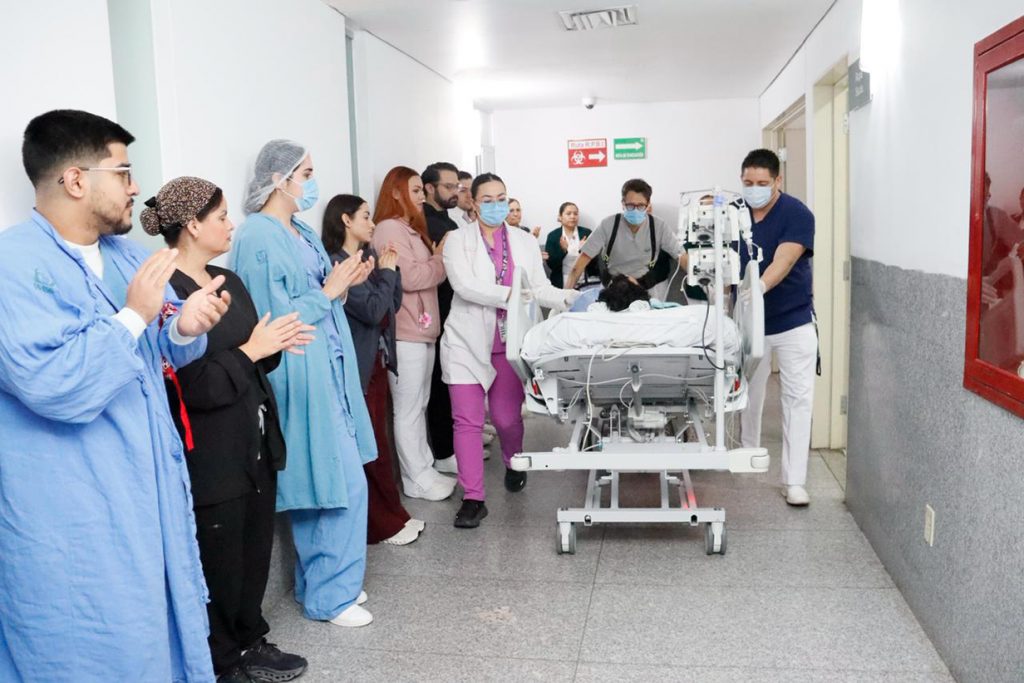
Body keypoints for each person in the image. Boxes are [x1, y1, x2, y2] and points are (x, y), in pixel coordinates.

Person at [0, 109, 229, 681]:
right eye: (123, 173)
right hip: (75, 505)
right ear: (76, 180)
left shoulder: (128, 256)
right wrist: (133, 316)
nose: (135, 187)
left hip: (148, 486)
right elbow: (51, 384)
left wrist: (185, 327)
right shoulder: (13, 266)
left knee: (157, 631)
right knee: (92, 641)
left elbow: (159, 346)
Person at [144, 176, 312, 682]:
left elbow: (254, 355)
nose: (230, 224)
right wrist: (251, 351)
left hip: (254, 438)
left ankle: (250, 640)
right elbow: (192, 387)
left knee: (254, 549)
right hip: (210, 452)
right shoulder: (166, 292)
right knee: (218, 561)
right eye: (220, 217)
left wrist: (272, 344)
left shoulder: (227, 281)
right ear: (193, 226)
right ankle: (220, 661)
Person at [233, 140, 378, 628]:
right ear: (279, 179)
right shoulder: (258, 235)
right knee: (332, 483)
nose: (313, 182)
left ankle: (325, 584)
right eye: (307, 173)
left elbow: (320, 294)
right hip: (298, 370)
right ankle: (330, 597)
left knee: (336, 480)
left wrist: (344, 284)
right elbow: (271, 318)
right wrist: (328, 291)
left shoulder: (301, 231)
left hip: (329, 366)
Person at [441, 173, 580, 528]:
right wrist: (512, 294)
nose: (496, 205)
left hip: (509, 343)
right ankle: (473, 498)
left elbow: (539, 288)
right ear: (473, 203)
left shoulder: (524, 241)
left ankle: (513, 461)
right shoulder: (457, 240)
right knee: (467, 421)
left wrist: (570, 299)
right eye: (487, 199)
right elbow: (464, 285)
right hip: (466, 342)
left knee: (506, 419)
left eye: (501, 198)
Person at [322, 194, 425, 546]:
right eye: (365, 216)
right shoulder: (338, 265)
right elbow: (372, 310)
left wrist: (388, 271)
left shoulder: (366, 257)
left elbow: (390, 305)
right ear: (346, 220)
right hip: (358, 368)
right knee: (370, 447)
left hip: (376, 363)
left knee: (378, 443)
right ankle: (380, 525)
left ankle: (394, 515)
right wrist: (388, 273)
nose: (372, 223)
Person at [736, 148, 816, 507]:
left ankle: (793, 480)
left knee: (797, 399)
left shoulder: (796, 213)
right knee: (747, 394)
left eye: (762, 183)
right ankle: (746, 455)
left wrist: (760, 286)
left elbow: (785, 257)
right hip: (747, 321)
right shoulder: (734, 213)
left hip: (792, 320)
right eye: (748, 182)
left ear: (777, 181)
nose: (754, 189)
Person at [371, 166, 456, 501]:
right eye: (416, 190)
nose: (422, 197)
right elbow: (411, 278)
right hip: (405, 333)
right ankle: (414, 478)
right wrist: (440, 259)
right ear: (395, 193)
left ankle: (424, 469)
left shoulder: (410, 229)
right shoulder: (388, 229)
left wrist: (433, 262)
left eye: (422, 190)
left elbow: (423, 272)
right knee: (407, 409)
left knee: (419, 404)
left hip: (423, 331)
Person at [568, 178, 686, 296]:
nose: (635, 210)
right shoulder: (608, 225)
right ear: (623, 203)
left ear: (648, 204)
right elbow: (577, 267)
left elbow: (682, 256)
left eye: (640, 206)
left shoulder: (659, 226)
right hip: (613, 289)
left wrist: (695, 275)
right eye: (630, 205)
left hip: (645, 290)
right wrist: (564, 297)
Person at [421, 162, 461, 471]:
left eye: (456, 186)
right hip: (435, 312)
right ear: (429, 188)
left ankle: (455, 444)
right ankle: (444, 452)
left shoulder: (449, 221)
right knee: (437, 385)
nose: (455, 192)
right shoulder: (425, 223)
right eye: (448, 186)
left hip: (453, 310)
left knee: (451, 381)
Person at [544, 201, 599, 288]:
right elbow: (551, 265)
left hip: (585, 280)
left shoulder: (586, 233)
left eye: (575, 214)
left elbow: (597, 261)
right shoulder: (553, 236)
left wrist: (585, 250)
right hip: (562, 281)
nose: (572, 216)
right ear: (560, 217)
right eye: (568, 214)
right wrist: (563, 250)